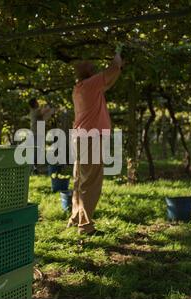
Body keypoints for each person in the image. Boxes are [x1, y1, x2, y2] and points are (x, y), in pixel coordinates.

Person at [67, 50, 123, 235]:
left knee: (80, 181)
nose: (95, 66)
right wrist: (117, 55)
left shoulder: (81, 87)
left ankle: (76, 218)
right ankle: (86, 226)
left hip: (81, 138)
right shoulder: (91, 85)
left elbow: (110, 80)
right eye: (92, 65)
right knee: (90, 182)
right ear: (88, 72)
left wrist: (118, 69)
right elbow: (112, 70)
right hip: (90, 138)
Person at [29, 98, 54, 173]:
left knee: (39, 151)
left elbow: (45, 117)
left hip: (38, 134)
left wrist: (50, 110)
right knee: (37, 151)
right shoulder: (36, 111)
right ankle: (33, 168)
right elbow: (45, 111)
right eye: (37, 102)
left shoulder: (35, 112)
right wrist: (49, 106)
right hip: (36, 134)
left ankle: (36, 168)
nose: (38, 103)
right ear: (34, 104)